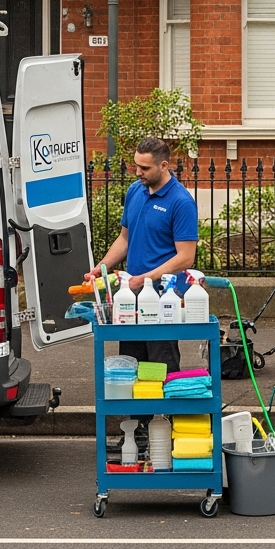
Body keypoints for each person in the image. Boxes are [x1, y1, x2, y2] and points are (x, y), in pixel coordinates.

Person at [86, 136, 198, 446]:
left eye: (144, 167)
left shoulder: (180, 201)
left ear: (164, 165)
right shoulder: (135, 191)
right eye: (136, 165)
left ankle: (167, 432)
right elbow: (124, 239)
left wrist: (145, 278)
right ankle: (135, 431)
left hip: (162, 297)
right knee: (131, 362)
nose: (137, 172)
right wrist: (102, 267)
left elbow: (186, 256)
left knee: (159, 362)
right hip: (129, 296)